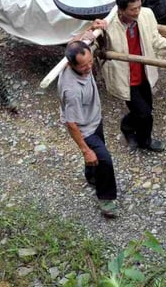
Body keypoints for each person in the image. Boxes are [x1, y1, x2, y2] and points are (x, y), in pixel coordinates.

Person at [91, 0, 166, 153]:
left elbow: (155, 40)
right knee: (144, 114)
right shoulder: (108, 25)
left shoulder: (147, 14)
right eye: (133, 9)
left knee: (146, 110)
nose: (137, 12)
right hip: (125, 77)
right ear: (121, 10)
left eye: (139, 6)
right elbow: (96, 46)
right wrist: (92, 31)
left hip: (144, 72)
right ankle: (144, 140)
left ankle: (129, 128)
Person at [58, 40, 118, 218]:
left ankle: (91, 175)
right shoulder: (72, 91)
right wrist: (85, 150)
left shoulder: (80, 57)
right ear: (71, 64)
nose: (89, 67)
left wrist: (92, 28)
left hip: (94, 118)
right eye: (84, 66)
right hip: (84, 129)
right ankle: (105, 198)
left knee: (97, 158)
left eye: (90, 62)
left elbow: (78, 41)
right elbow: (71, 124)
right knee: (104, 159)